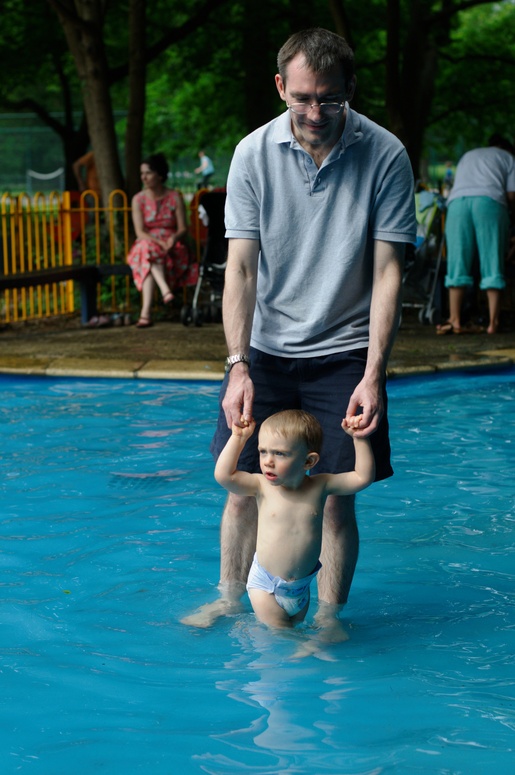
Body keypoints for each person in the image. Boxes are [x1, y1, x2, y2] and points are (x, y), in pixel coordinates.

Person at [181, 28, 416, 638]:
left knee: (336, 499)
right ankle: (229, 599)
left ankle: (331, 617)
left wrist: (373, 373)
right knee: (243, 489)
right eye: (303, 97)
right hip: (264, 350)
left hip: (345, 349)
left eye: (330, 99)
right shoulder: (252, 154)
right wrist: (237, 364)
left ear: (349, 89)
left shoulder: (386, 154)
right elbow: (241, 268)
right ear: (281, 87)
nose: (315, 112)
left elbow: (388, 271)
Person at [213, 410, 375, 630]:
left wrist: (359, 439)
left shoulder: (321, 485)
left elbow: (363, 478)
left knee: (288, 636)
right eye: (263, 451)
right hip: (266, 587)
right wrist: (238, 438)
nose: (268, 461)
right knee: (285, 635)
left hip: (300, 589)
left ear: (309, 461)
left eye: (280, 454)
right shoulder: (261, 486)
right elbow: (224, 476)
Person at [436, 135, 515, 336]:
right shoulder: (509, 158)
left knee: (457, 262)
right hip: (489, 202)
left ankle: (454, 320)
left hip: (457, 204)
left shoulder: (469, 155)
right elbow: (512, 195)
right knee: (492, 261)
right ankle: (493, 323)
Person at [127, 153, 190, 328]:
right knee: (146, 248)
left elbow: (183, 228)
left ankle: (145, 314)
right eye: (142, 173)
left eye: (148, 173)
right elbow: (140, 232)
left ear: (160, 175)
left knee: (147, 257)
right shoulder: (138, 199)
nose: (144, 177)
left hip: (172, 247)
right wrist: (159, 242)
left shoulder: (174, 197)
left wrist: (172, 238)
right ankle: (165, 290)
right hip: (148, 243)